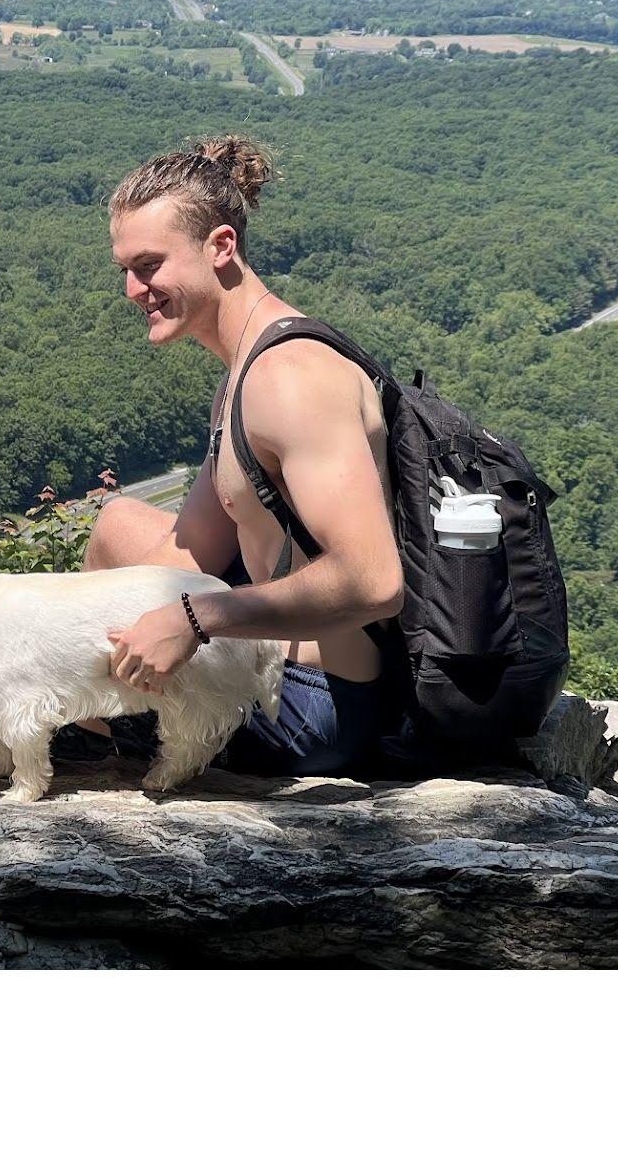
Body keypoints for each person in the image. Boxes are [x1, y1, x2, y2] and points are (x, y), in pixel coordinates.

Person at [85, 136, 406, 776]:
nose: (132, 288)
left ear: (221, 247)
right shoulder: (243, 372)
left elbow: (375, 580)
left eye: (149, 264)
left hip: (316, 710)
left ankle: (92, 756)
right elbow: (189, 553)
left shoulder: (290, 380)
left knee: (69, 708)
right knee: (117, 524)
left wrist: (198, 619)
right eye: (125, 267)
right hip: (281, 668)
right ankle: (95, 732)